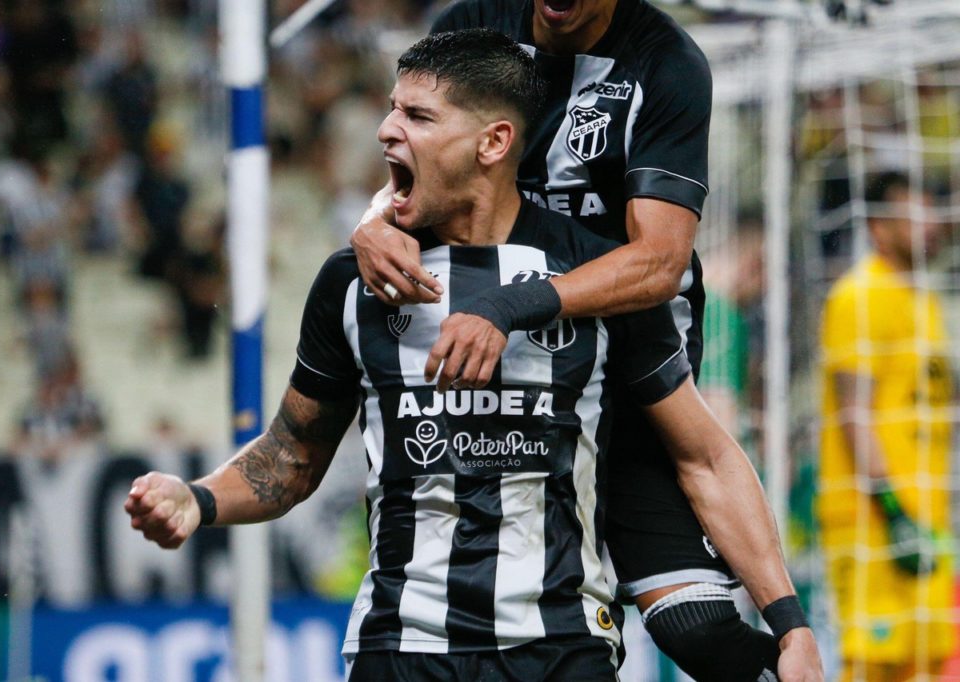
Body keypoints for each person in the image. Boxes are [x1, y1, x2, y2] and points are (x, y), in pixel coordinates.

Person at [127, 29, 816, 681]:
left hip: (560, 647)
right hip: (400, 647)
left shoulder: (593, 280)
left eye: (419, 117)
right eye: (392, 110)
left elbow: (705, 455)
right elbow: (292, 454)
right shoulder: (353, 281)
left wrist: (789, 624)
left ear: (493, 142)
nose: (387, 130)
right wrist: (198, 498)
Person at [350, 2, 821, 679]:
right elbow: (418, 140)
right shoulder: (474, 20)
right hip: (507, 394)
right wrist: (372, 218)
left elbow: (658, 264)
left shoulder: (666, 64)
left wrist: (515, 302)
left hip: (626, 363)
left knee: (699, 630)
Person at [819, 171, 954, 682]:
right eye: (914, 215)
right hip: (873, 522)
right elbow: (854, 411)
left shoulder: (925, 301)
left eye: (932, 212)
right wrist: (893, 511)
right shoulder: (859, 295)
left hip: (928, 517)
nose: (931, 225)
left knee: (923, 665)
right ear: (878, 227)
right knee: (874, 666)